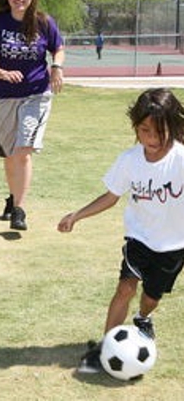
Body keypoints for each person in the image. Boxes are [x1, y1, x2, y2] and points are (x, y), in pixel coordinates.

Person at [58, 88, 184, 373]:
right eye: (144, 131)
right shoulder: (130, 160)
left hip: (174, 244)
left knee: (152, 296)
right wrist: (77, 215)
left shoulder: (181, 159)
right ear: (136, 127)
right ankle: (105, 348)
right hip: (139, 237)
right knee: (125, 287)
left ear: (173, 128)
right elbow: (111, 196)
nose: (151, 139)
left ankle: (143, 318)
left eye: (159, 132)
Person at [0, 0, 65, 231]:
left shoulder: (43, 22)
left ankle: (19, 209)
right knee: (9, 155)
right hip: (4, 96)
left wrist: (57, 67)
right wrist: (3, 73)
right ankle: (13, 196)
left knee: (23, 151)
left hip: (36, 94)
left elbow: (58, 48)